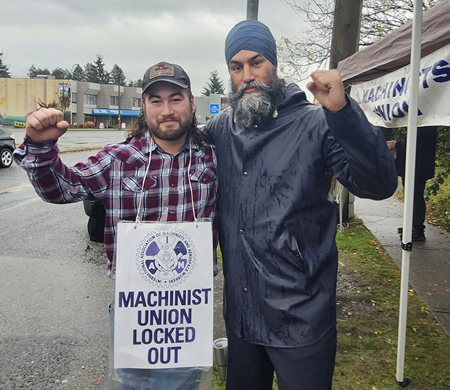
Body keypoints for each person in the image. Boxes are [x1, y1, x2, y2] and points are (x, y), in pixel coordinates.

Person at [203, 20, 398, 390]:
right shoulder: (219, 131)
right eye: (236, 66)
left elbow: (380, 184)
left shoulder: (316, 124)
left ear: (273, 65)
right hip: (242, 317)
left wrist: (342, 115)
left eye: (256, 62)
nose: (247, 76)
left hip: (301, 316)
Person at [14, 62, 218, 390]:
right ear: (143, 107)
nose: (167, 110)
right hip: (135, 308)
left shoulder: (213, 158)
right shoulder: (118, 159)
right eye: (156, 100)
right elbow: (62, 188)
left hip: (188, 308)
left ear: (192, 102)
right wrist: (41, 146)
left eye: (176, 98)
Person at [387, 126, 438, 241]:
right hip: (413, 168)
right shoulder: (421, 126)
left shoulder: (426, 128)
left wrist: (396, 145)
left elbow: (414, 145)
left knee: (415, 198)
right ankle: (411, 226)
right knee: (411, 198)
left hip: (418, 170)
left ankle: (417, 229)